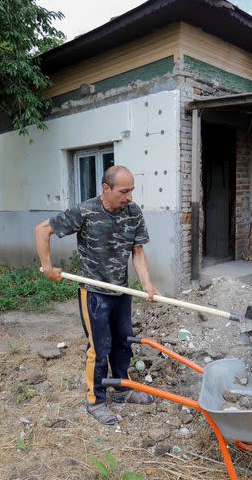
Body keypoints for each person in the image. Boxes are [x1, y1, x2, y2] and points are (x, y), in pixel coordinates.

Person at [34, 165, 160, 425]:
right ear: (106, 188)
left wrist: (147, 284)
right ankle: (96, 400)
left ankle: (123, 390)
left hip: (122, 291)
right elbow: (42, 229)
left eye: (131, 191)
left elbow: (137, 252)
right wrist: (47, 267)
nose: (129, 197)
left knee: (123, 342)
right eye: (124, 191)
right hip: (94, 294)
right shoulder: (86, 211)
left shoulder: (133, 212)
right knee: (100, 347)